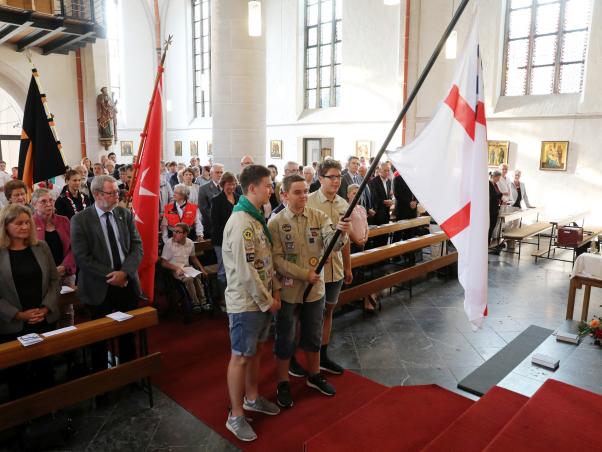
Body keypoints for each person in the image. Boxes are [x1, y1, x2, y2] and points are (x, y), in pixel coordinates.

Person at [269, 174, 350, 408]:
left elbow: (332, 245)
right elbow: (276, 260)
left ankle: (314, 375)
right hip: (289, 292)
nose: (304, 196)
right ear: (284, 194)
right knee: (285, 337)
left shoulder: (318, 216)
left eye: (305, 191)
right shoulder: (275, 223)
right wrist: (304, 274)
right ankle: (283, 381)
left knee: (313, 335)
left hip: (315, 291)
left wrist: (341, 232)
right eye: (297, 192)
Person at [222, 164, 281, 442]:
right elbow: (246, 271)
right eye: (268, 185)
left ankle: (252, 398)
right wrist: (267, 300)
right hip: (246, 303)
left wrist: (275, 291)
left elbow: (264, 261)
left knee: (255, 351)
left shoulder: (255, 216)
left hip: (261, 300)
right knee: (241, 356)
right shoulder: (242, 221)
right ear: (252, 188)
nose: (272, 189)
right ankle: (235, 415)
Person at [71, 175, 143, 372]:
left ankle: (129, 375)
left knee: (128, 333)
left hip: (127, 284)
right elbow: (82, 257)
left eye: (117, 193)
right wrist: (113, 275)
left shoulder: (124, 214)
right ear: (96, 194)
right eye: (111, 194)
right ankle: (101, 382)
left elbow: (137, 247)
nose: (116, 197)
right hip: (98, 286)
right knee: (100, 338)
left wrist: (125, 273)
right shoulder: (81, 220)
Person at [0, 204, 60, 400]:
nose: (24, 227)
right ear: (5, 226)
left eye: (27, 222)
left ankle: (49, 408)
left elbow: (54, 279)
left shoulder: (41, 247)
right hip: (13, 324)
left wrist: (45, 308)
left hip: (43, 319)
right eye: (18, 223)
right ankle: (22, 417)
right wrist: (18, 314)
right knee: (17, 375)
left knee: (46, 369)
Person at [307, 159, 352, 375]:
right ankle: (304, 354)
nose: (336, 181)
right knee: (308, 314)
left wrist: (348, 267)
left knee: (329, 311)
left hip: (336, 268)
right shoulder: (308, 202)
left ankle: (323, 355)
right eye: (331, 177)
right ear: (320, 178)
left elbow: (346, 239)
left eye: (338, 176)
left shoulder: (344, 204)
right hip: (315, 270)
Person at [161, 222, 211, 313]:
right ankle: (195, 303)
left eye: (178, 232)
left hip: (187, 267)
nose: (174, 234)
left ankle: (203, 302)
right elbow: (164, 263)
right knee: (189, 280)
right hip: (175, 268)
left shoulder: (190, 242)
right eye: (174, 231)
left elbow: (193, 258)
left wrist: (202, 269)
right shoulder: (169, 244)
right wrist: (176, 268)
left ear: (185, 234)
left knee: (198, 276)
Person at [345, 184, 374, 312]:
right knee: (352, 270)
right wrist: (356, 240)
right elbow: (348, 228)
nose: (356, 195)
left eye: (359, 193)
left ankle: (360, 295)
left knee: (361, 270)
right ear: (348, 195)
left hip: (362, 242)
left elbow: (366, 225)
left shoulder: (362, 208)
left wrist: (365, 237)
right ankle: (350, 297)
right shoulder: (345, 208)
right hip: (352, 244)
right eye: (353, 193)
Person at [369, 161, 394, 247]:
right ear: (379, 171)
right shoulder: (374, 182)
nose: (387, 172)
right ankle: (377, 258)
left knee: (385, 235)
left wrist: (390, 200)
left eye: (388, 170)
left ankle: (384, 255)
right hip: (377, 212)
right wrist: (384, 201)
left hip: (386, 212)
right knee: (378, 238)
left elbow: (388, 195)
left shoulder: (389, 181)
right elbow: (374, 198)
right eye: (385, 170)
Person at [197, 163, 224, 238]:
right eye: (217, 172)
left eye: (221, 172)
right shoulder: (204, 188)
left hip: (226, 226)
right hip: (211, 227)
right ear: (211, 174)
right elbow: (204, 209)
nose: (219, 175)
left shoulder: (225, 188)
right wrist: (219, 221)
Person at [488, 171, 503, 248]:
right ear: (495, 176)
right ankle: (487, 243)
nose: (499, 180)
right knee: (489, 227)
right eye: (498, 178)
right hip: (490, 209)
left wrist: (500, 196)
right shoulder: (489, 184)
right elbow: (492, 196)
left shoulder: (495, 185)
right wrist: (500, 195)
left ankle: (489, 242)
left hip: (495, 208)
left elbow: (498, 194)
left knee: (493, 226)